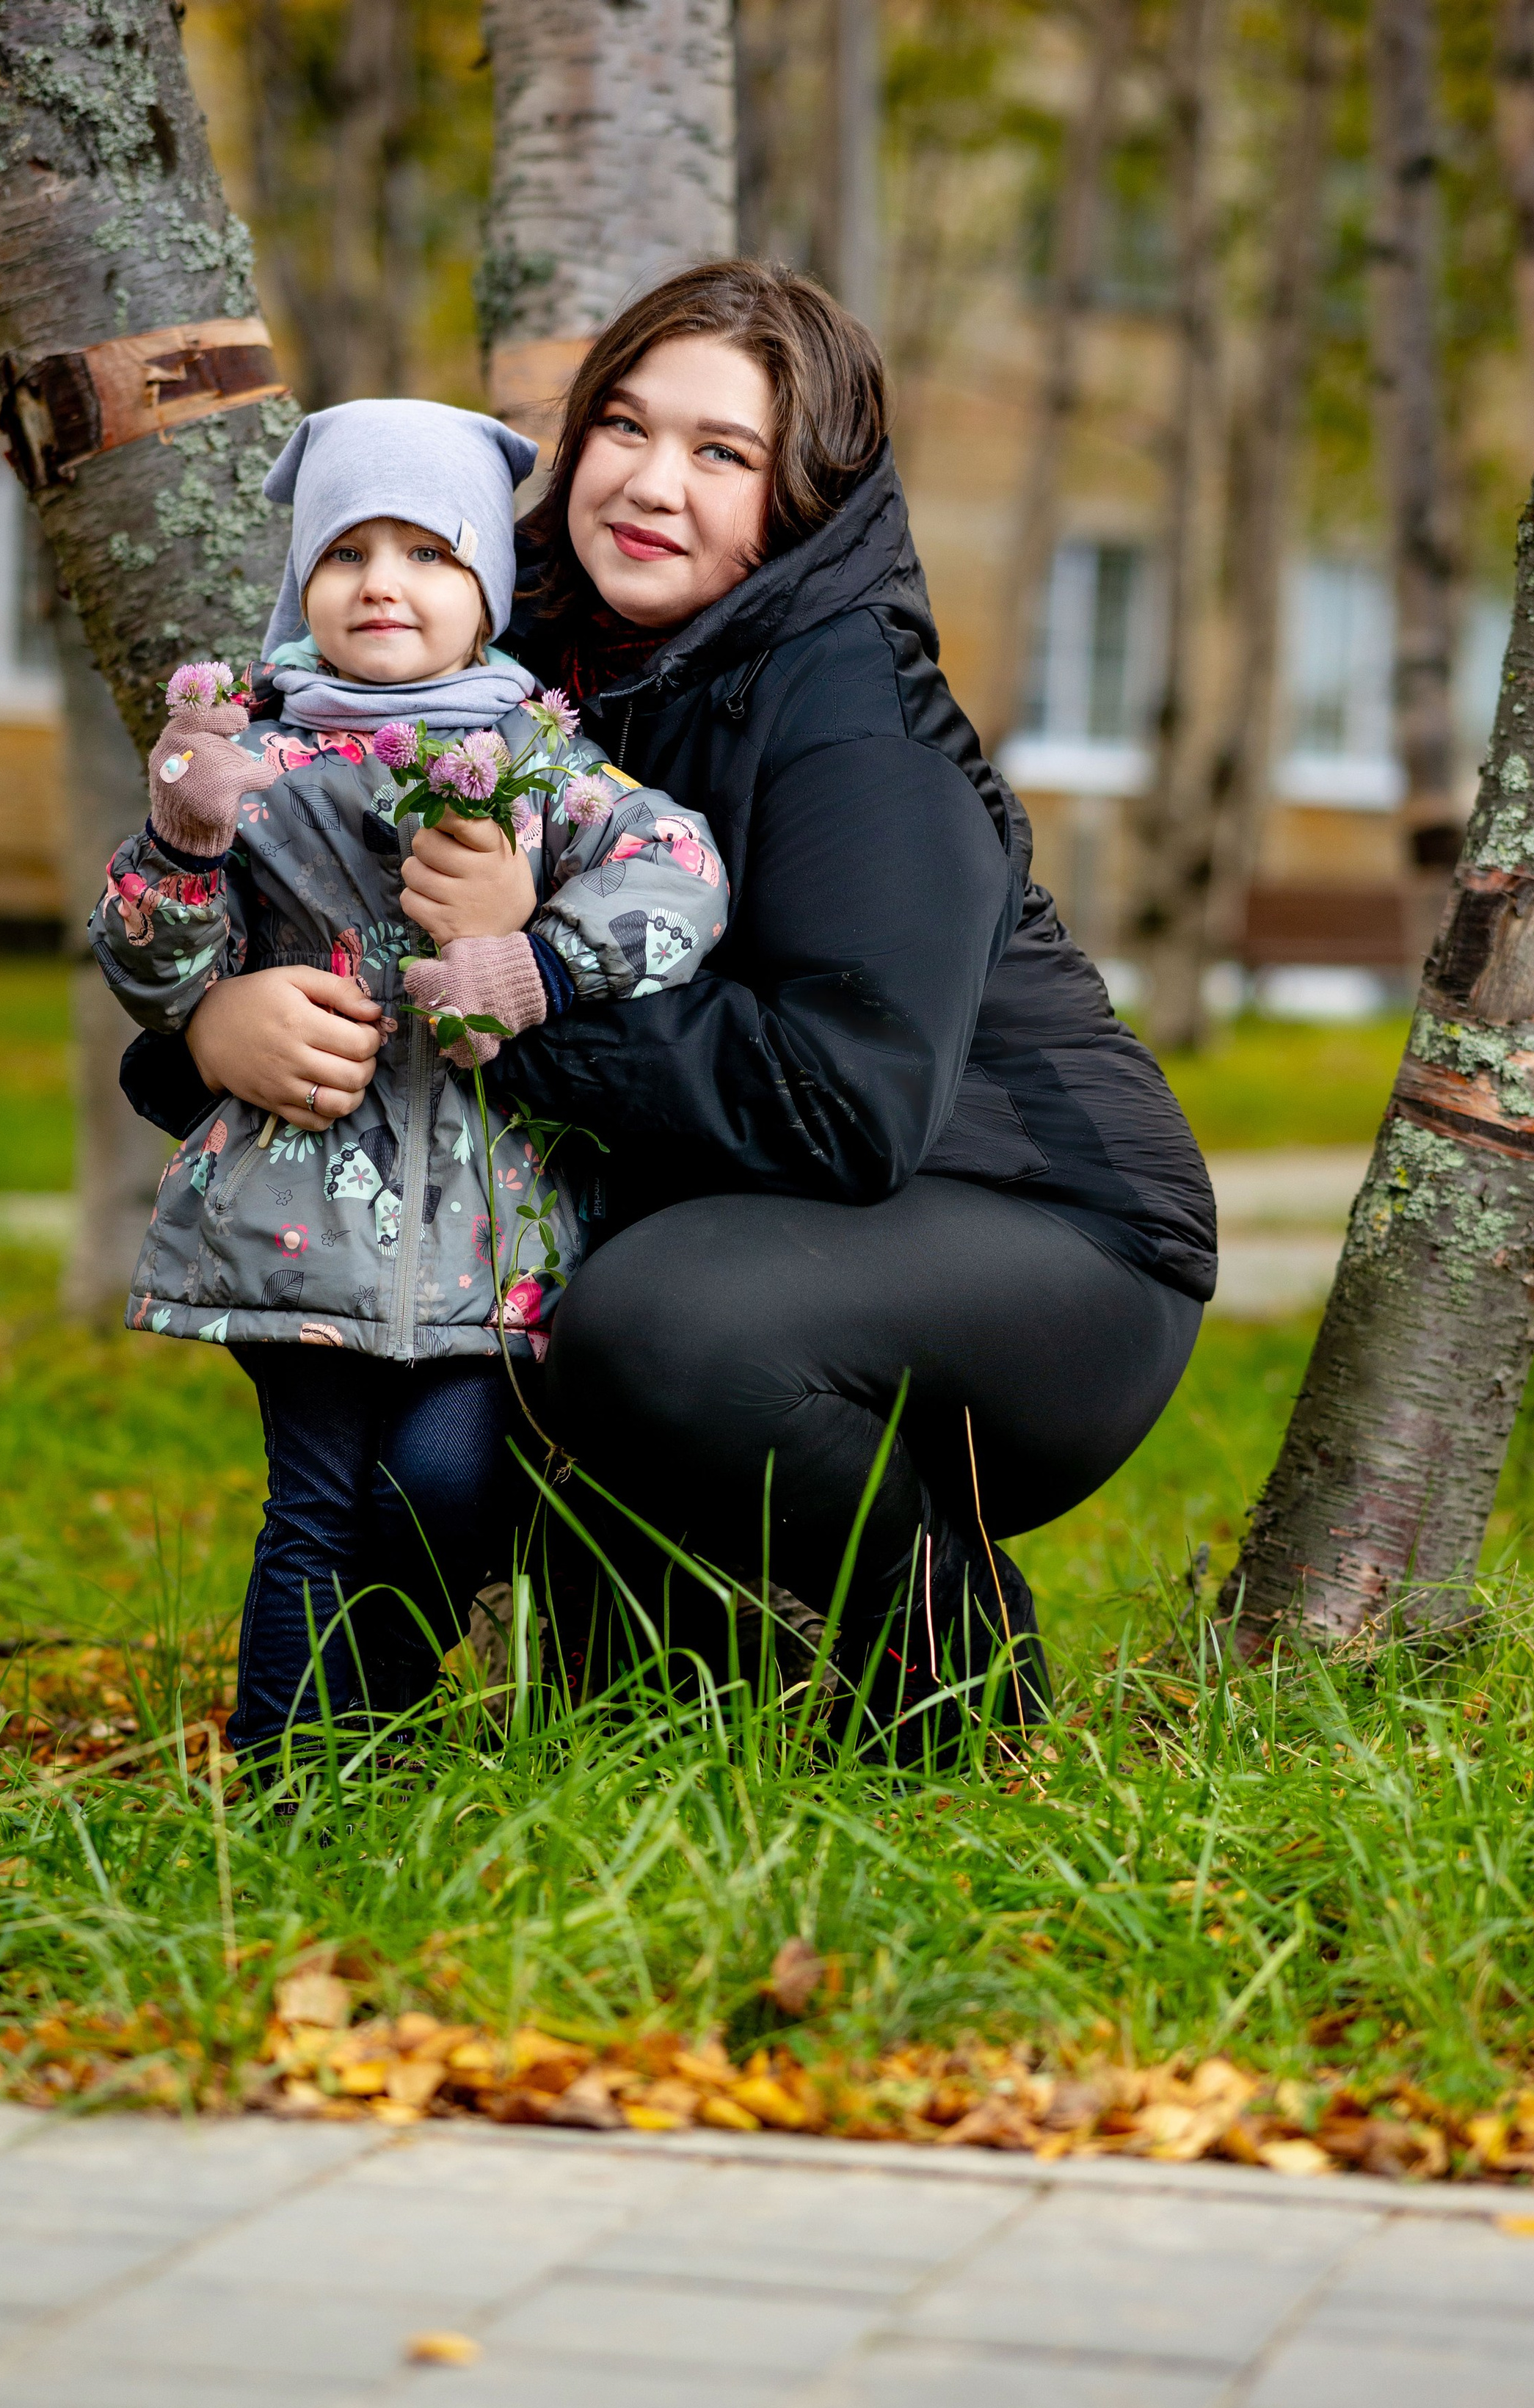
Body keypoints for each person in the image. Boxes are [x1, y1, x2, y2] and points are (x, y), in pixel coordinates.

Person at [123, 267, 1216, 1742]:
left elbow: (847, 1106)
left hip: (1039, 1242)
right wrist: (206, 1034)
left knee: (639, 1324)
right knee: (495, 1451)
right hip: (738, 1223)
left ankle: (954, 1679)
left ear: (802, 499)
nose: (647, 484)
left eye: (721, 453)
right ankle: (467, 1757)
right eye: (622, 428)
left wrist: (527, 980)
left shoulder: (853, 716)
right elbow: (320, 927)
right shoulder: (489, 659)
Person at [91, 397, 725, 1757]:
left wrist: (542, 960)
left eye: (429, 553)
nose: (384, 582)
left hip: (501, 1232)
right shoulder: (242, 757)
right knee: (314, 1507)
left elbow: (684, 878)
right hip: (297, 1219)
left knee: (447, 1480)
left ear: (486, 588)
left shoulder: (542, 763)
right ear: (302, 582)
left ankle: (363, 1729)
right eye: (347, 553)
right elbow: (146, 970)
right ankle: (284, 1786)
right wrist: (182, 851)